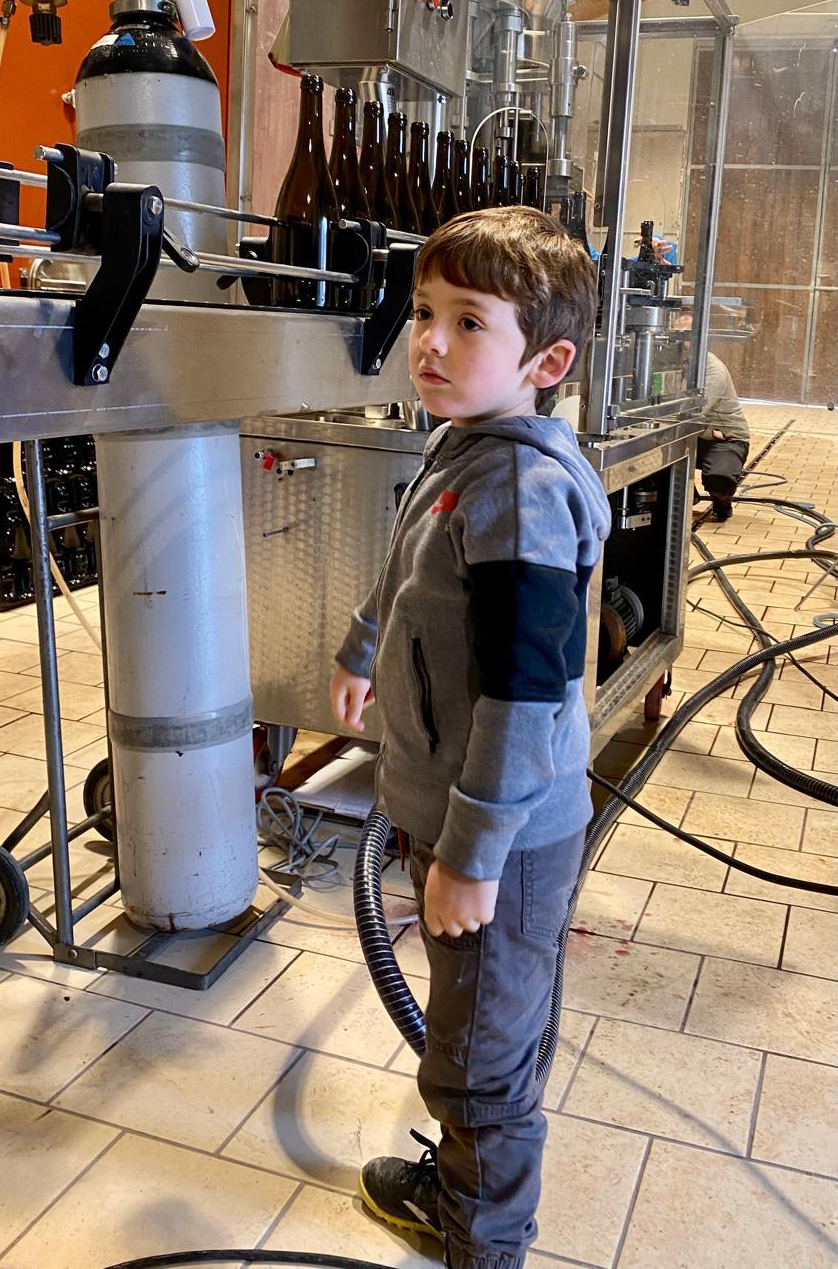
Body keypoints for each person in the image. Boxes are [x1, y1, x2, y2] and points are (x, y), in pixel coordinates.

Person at [329, 208, 610, 1269]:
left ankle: (480, 1242)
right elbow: (409, 568)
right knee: (485, 1026)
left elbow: (524, 699)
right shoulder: (465, 447)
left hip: (503, 833)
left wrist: (471, 855)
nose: (430, 341)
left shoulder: (523, 496)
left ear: (547, 362)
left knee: (480, 1064)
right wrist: (363, 647)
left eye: (468, 321)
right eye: (423, 312)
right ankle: (462, 1185)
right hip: (461, 813)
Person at [698, 349, 750, 521]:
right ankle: (684, 495)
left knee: (719, 477)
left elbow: (696, 411)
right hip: (693, 435)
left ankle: (722, 501)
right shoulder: (672, 363)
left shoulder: (713, 370)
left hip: (725, 439)